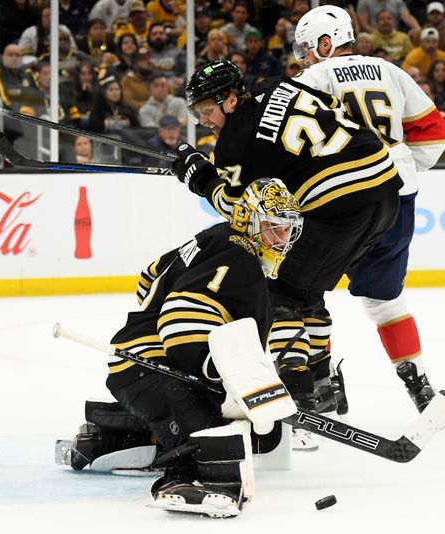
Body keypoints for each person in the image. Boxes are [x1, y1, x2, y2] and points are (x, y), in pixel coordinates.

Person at [175, 57, 404, 450]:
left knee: (277, 292)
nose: (204, 121)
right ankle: (321, 383)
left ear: (230, 100)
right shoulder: (275, 84)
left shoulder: (234, 143)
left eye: (206, 111)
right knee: (306, 291)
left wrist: (200, 178)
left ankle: (300, 399)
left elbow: (241, 206)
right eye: (197, 115)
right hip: (384, 189)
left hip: (340, 204)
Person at [59, 178, 304, 517]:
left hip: (138, 360)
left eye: (286, 229)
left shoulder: (213, 238)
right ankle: (181, 481)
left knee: (227, 423)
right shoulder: (241, 258)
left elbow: (150, 275)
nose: (281, 239)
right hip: (153, 365)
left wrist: (148, 323)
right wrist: (221, 375)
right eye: (272, 227)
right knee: (211, 433)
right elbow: (181, 319)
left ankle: (103, 442)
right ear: (248, 218)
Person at [291, 5, 445, 421]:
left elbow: (290, 143)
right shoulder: (390, 70)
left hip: (338, 206)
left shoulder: (314, 78)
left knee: (301, 294)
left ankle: (320, 386)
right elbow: (433, 137)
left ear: (326, 44)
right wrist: (399, 167)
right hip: (397, 202)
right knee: (386, 300)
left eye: (307, 49)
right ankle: (420, 384)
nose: (304, 59)